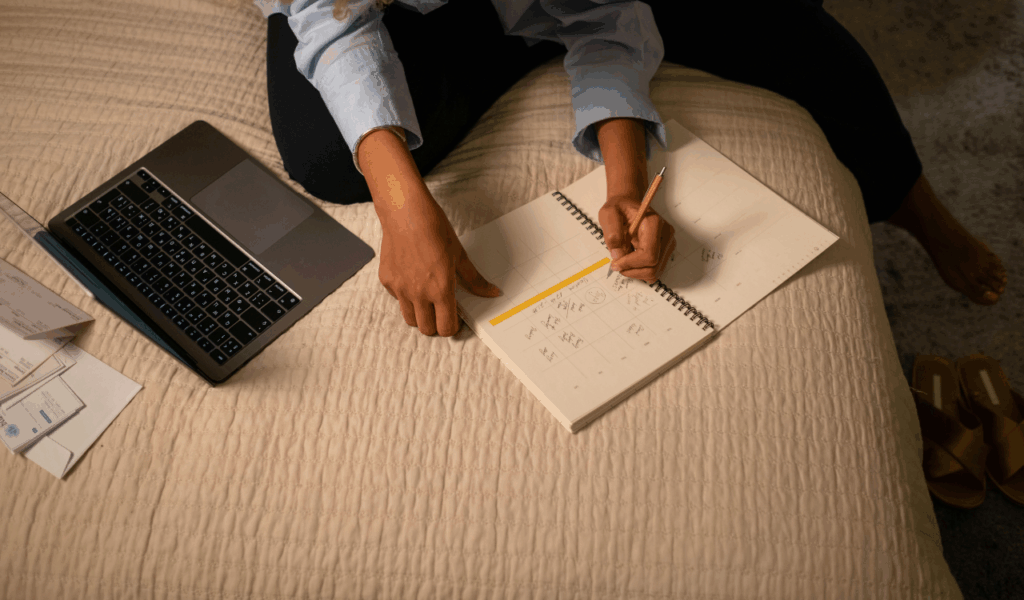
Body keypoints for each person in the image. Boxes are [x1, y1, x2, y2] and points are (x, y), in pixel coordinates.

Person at [259, 0, 1008, 338]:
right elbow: (330, 21)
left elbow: (606, 14)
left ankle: (918, 208)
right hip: (387, 14)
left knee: (781, 19)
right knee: (334, 158)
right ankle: (516, 34)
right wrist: (400, 201)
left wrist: (624, 177)